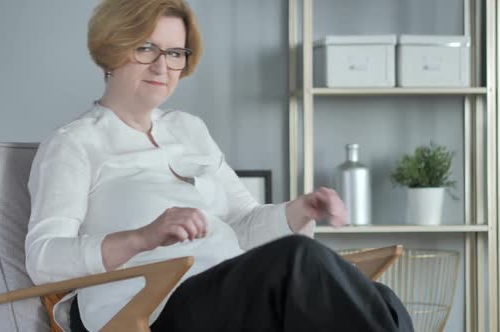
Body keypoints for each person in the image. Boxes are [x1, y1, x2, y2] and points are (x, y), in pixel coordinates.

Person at [25, 0, 414, 331]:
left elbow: (242, 222)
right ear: (112, 49)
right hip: (148, 309)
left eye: (175, 53)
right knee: (298, 261)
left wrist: (298, 212)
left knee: (382, 298)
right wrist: (143, 237)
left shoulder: (189, 129)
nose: (163, 67)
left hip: (227, 293)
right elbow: (43, 259)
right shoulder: (74, 144)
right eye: (146, 48)